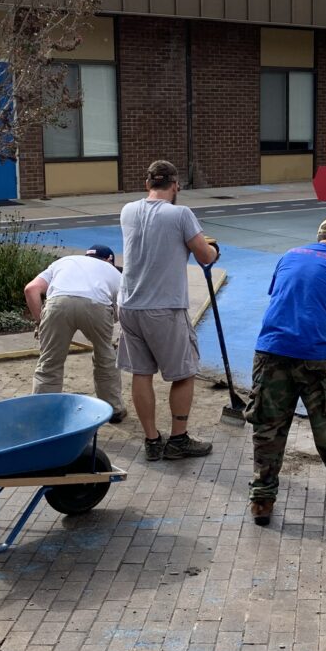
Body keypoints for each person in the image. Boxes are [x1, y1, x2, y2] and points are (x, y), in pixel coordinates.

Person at [247, 217, 326, 527]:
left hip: (271, 350)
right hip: (316, 357)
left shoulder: (289, 255)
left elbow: (285, 299)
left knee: (268, 427)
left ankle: (262, 500)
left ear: (319, 238)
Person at [117, 159, 220, 462]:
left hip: (129, 305)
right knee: (184, 373)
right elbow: (205, 256)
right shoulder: (181, 214)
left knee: (141, 372)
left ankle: (152, 440)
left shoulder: (128, 210)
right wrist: (213, 249)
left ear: (147, 183)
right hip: (163, 307)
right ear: (175, 186)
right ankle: (178, 439)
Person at [23, 245, 126, 421]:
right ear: (109, 260)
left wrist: (40, 323)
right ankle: (113, 409)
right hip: (97, 306)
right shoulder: (115, 273)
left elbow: (31, 289)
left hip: (57, 304)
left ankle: (43, 412)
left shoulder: (63, 262)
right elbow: (122, 307)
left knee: (49, 362)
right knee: (105, 357)